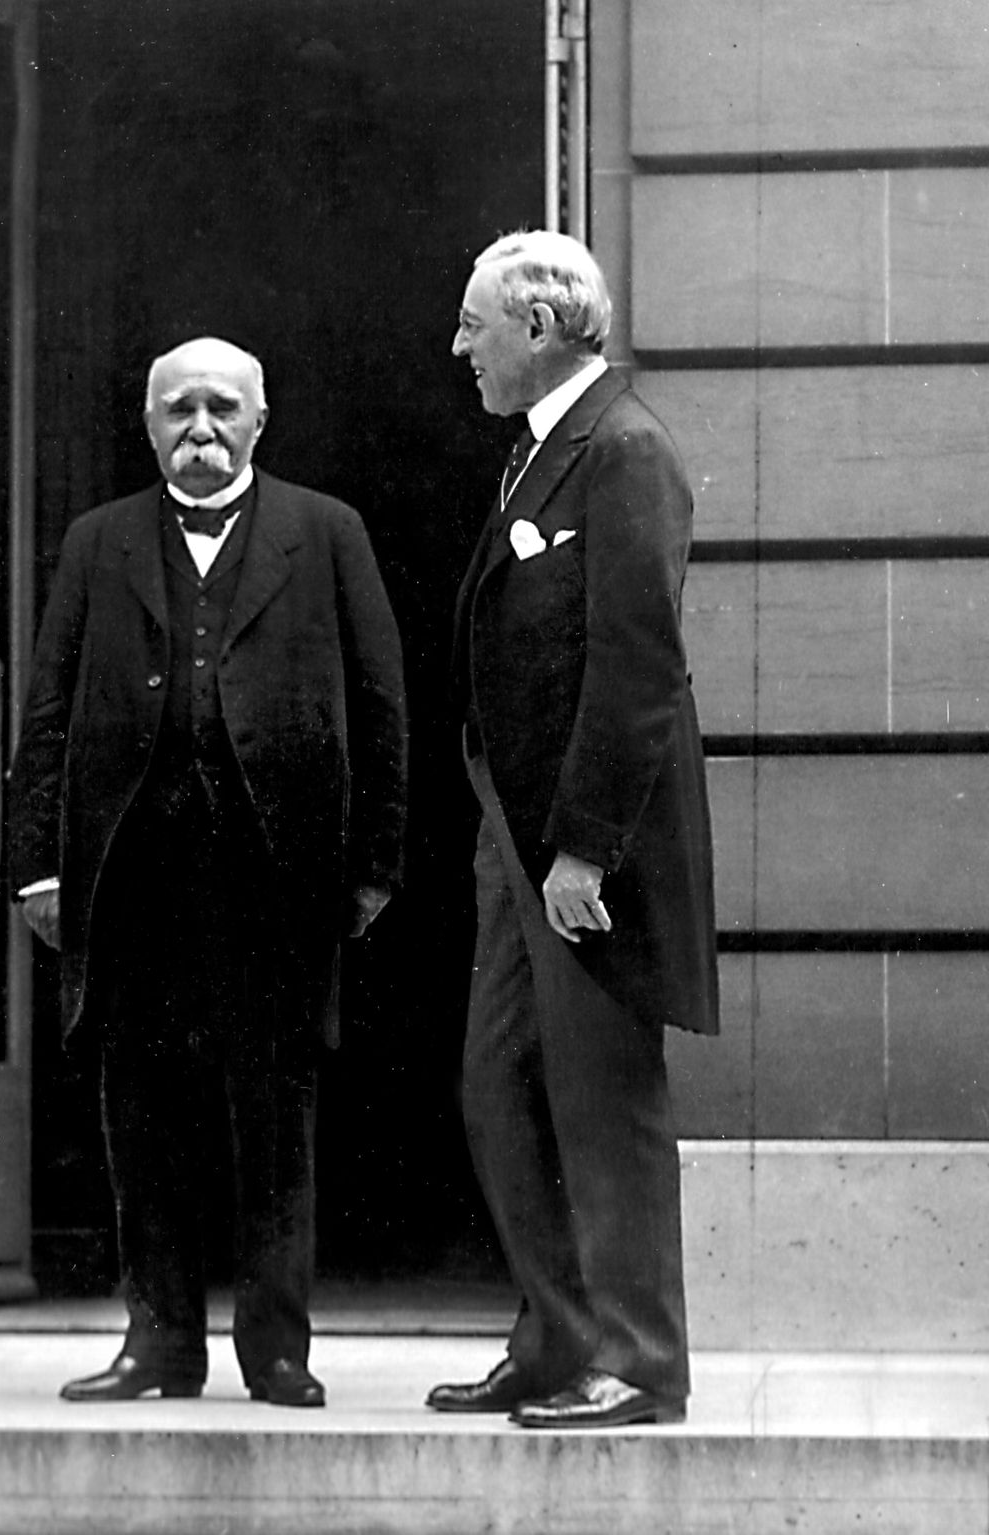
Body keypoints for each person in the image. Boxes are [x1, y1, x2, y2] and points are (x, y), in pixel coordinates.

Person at [5, 336, 408, 1408]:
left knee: (271, 1121)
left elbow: (380, 705)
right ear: (147, 426)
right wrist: (36, 867)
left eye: (221, 408)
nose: (199, 428)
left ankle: (275, 1349)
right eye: (177, 409)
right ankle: (159, 1342)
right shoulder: (97, 541)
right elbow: (44, 711)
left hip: (272, 878)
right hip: (129, 879)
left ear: (258, 421)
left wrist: (369, 861)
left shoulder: (325, 533)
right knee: (140, 1116)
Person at [430, 230, 718, 1429]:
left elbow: (636, 664)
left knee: (602, 1100)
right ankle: (554, 1338)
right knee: (496, 1088)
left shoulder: (621, 449)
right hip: (521, 836)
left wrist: (583, 849)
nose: (459, 348)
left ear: (538, 328)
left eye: (472, 324)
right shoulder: (538, 456)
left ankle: (637, 1360)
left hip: (583, 852)